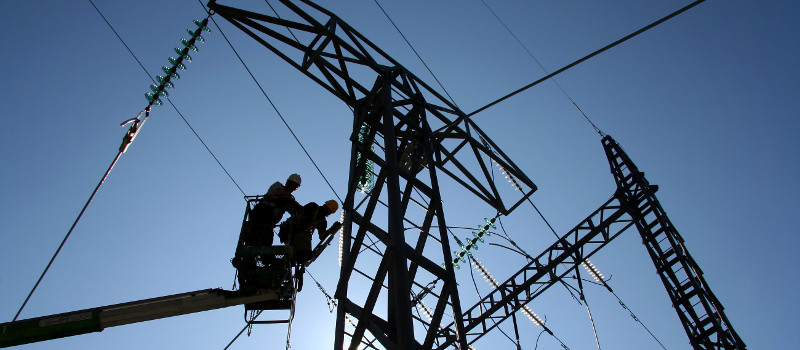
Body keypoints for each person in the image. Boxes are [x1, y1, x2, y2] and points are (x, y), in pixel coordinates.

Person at [248, 174, 302, 247]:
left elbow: (296, 212)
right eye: (292, 185)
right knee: (259, 239)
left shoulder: (287, 201)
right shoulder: (277, 186)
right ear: (287, 183)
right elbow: (281, 194)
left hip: (268, 224)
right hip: (260, 215)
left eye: (295, 187)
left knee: (267, 240)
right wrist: (293, 201)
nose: (292, 188)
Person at [280, 199, 339, 264]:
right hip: (289, 229)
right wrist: (299, 224)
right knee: (296, 244)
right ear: (324, 206)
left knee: (295, 251)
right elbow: (300, 212)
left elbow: (322, 236)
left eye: (329, 211)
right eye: (327, 209)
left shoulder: (322, 222)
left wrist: (331, 229)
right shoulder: (313, 206)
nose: (326, 212)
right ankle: (286, 260)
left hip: (298, 236)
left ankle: (286, 261)